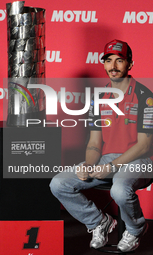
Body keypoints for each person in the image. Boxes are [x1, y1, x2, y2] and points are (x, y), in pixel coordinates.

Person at [50, 39, 153, 252]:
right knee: (59, 183)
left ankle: (135, 228)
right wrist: (88, 164)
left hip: (141, 161)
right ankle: (98, 222)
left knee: (120, 189)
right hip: (109, 159)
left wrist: (112, 165)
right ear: (103, 64)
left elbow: (144, 146)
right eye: (108, 60)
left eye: (119, 60)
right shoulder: (98, 98)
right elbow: (95, 142)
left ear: (130, 64)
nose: (113, 66)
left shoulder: (146, 97)